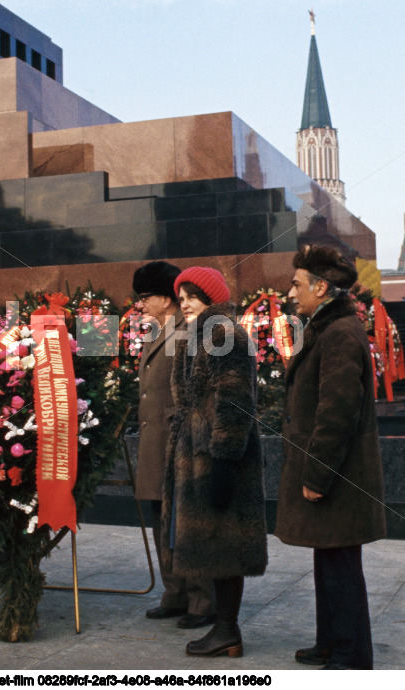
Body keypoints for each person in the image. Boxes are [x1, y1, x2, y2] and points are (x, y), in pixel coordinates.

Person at [277, 245, 386, 669]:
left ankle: (351, 655)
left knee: (340, 563)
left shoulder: (339, 333)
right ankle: (330, 640)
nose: (291, 292)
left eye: (298, 284)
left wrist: (317, 474)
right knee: (329, 557)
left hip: (338, 474)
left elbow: (336, 413)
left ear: (322, 288)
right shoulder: (327, 326)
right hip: (334, 471)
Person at [161, 266, 267, 658]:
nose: (184, 302)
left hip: (220, 456)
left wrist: (223, 460)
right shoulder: (199, 335)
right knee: (216, 543)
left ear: (210, 297)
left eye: (191, 294)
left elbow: (235, 400)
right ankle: (225, 629)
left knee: (226, 542)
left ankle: (226, 629)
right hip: (199, 454)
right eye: (181, 295)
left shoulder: (223, 334)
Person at [132, 261, 215, 630]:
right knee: (160, 517)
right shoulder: (156, 330)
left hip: (177, 437)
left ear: (166, 299)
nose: (140, 304)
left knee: (185, 520)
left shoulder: (191, 331)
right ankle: (175, 593)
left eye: (145, 296)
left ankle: (202, 600)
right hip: (155, 441)